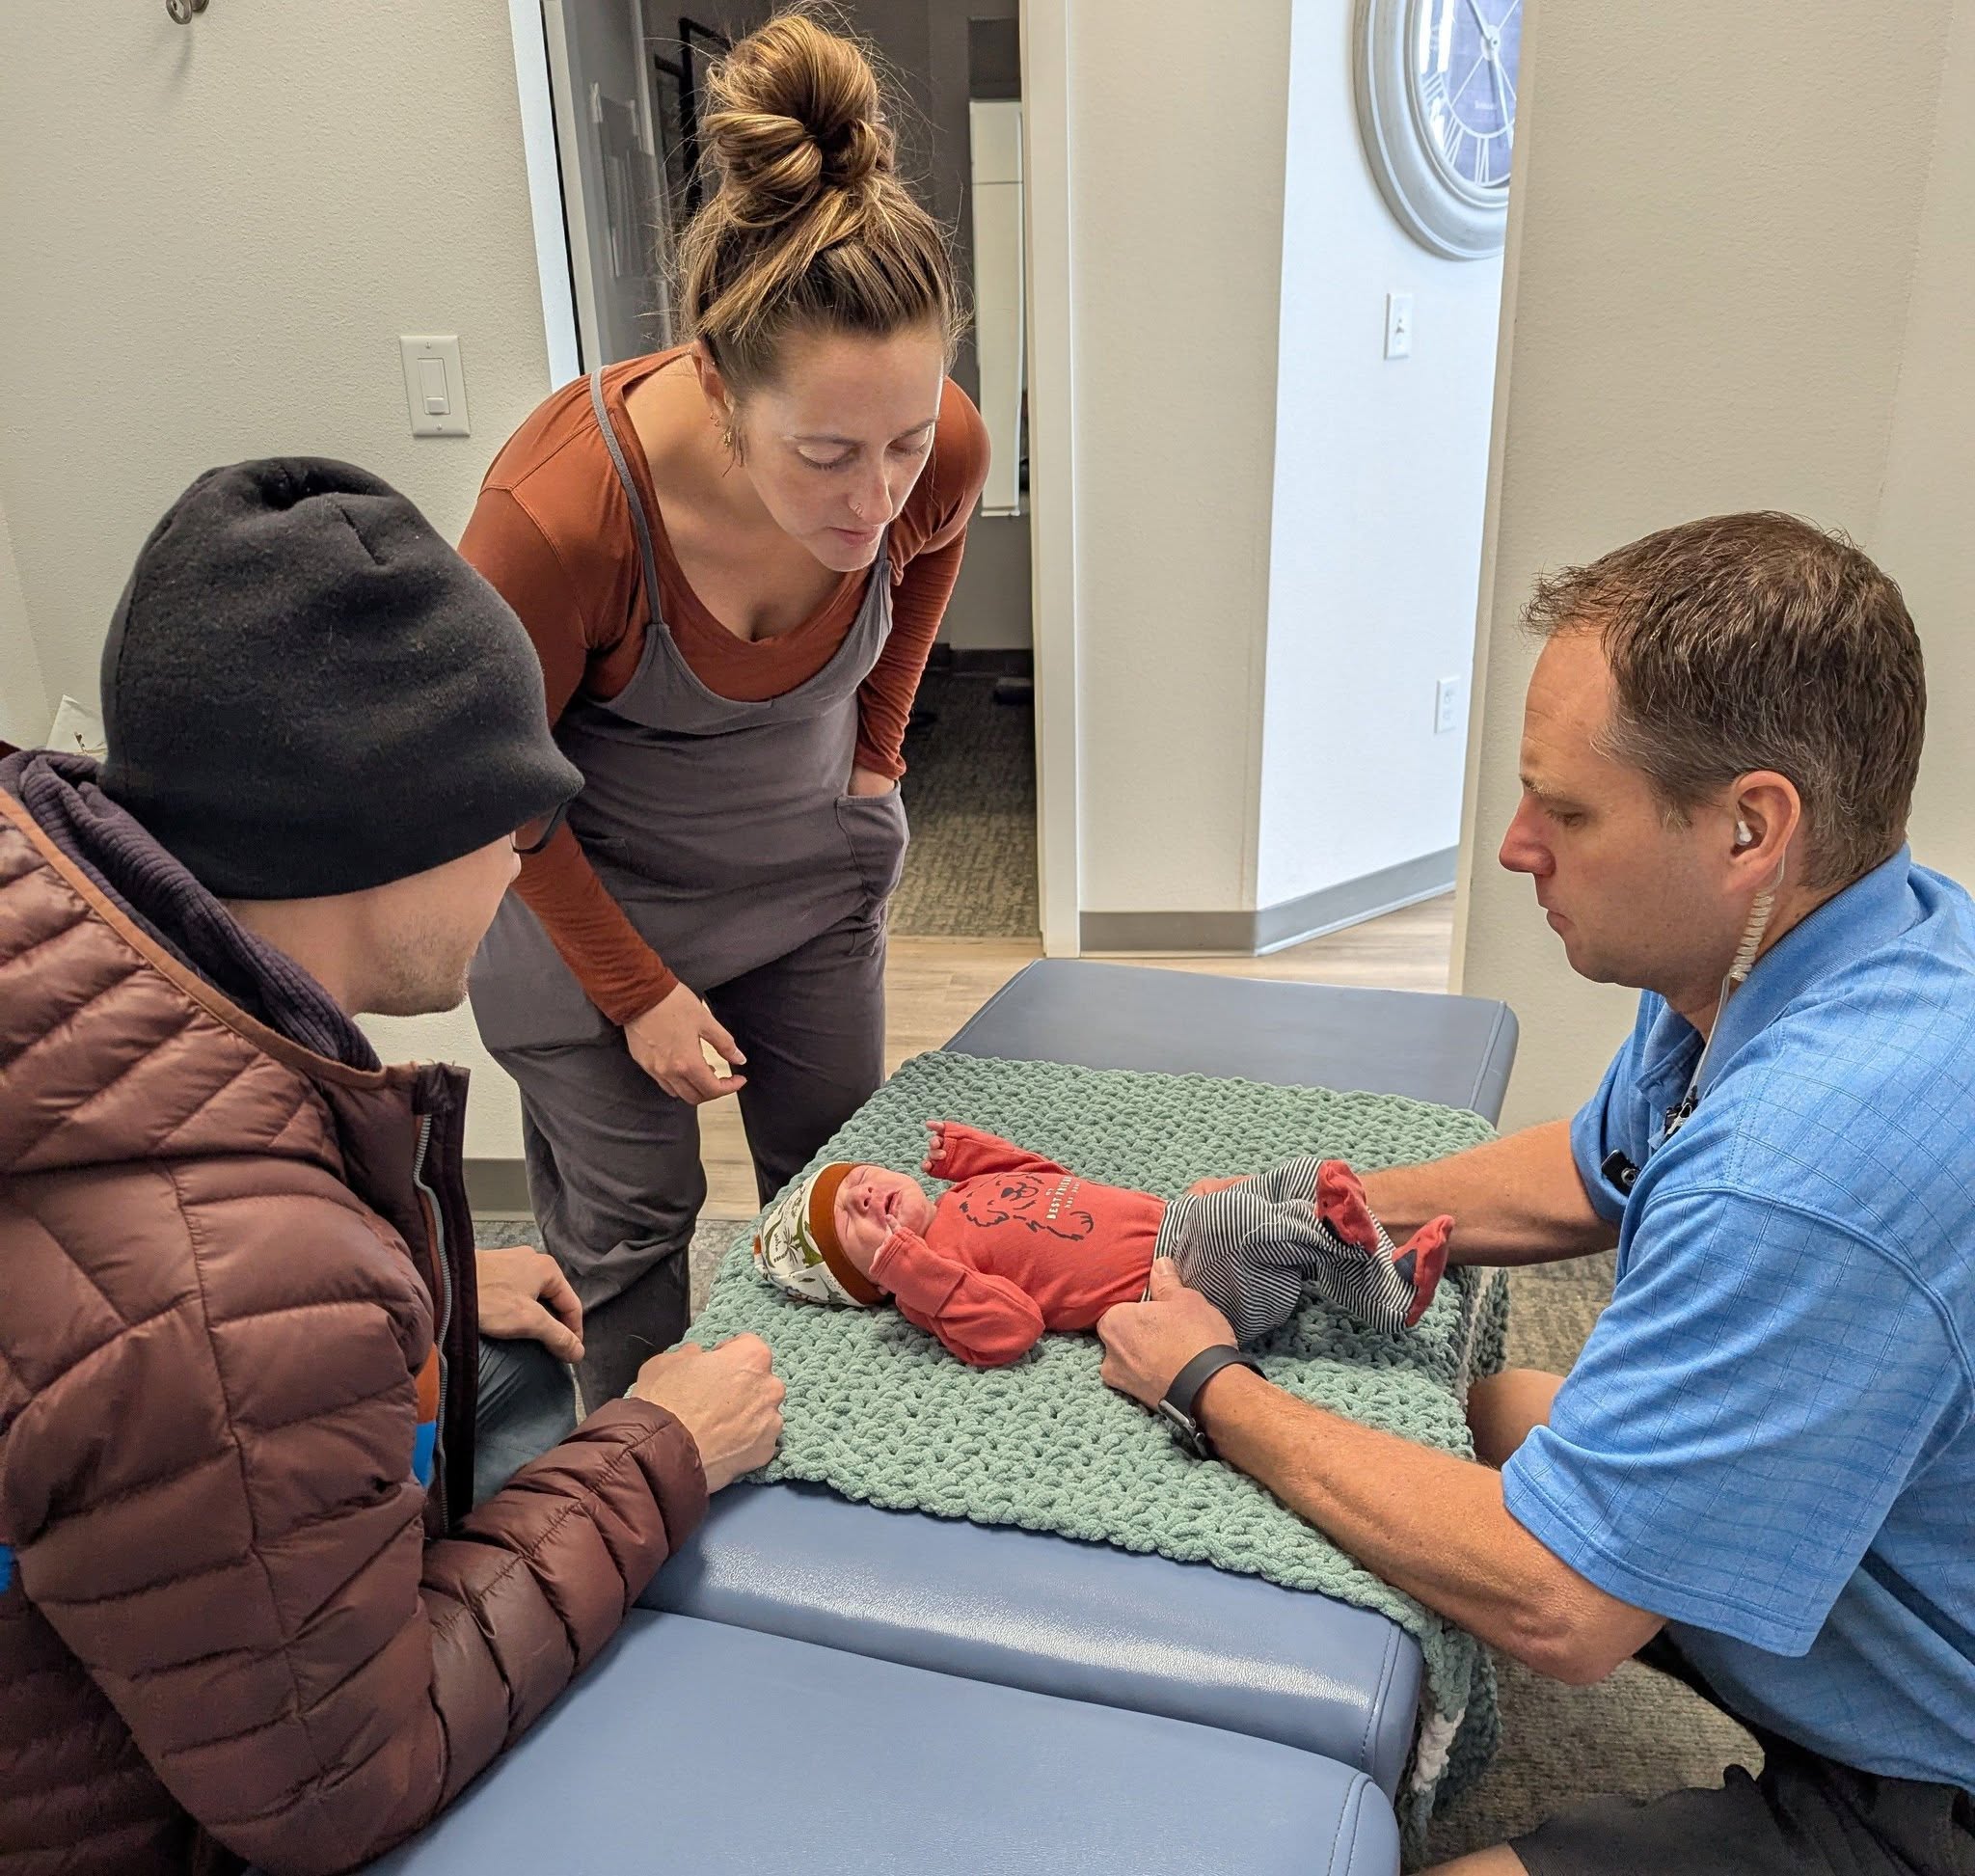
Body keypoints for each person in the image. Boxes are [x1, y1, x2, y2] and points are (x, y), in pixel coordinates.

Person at [1095, 513, 1975, 1876]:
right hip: (1880, 1541)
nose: (1515, 846)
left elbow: (1561, 1605)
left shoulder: (1801, 1172)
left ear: (1751, 828)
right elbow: (1593, 1166)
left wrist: (1209, 1385)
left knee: (1516, 1554)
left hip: (1928, 1781)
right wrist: (1325, 1209)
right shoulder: (1840, 943)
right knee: (1488, 1410)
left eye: (1565, 812)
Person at [0, 459, 784, 1875]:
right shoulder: (240, 1290)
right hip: (163, 1819)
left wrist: (424, 1280)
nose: (520, 864)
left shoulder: (69, 913)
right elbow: (345, 1784)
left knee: (511, 1367)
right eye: (516, 820)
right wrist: (660, 1445)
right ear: (395, 827)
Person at [460, 10, 991, 1407]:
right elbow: (492, 784)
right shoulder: (563, 512)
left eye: (904, 440)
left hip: (801, 876)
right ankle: (636, 1499)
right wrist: (635, 993)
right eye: (824, 452)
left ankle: (830, 1466)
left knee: (844, 1200)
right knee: (630, 1227)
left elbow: (930, 549)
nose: (872, 497)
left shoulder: (934, 460)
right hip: (589, 907)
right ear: (714, 384)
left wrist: (875, 752)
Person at [750, 1121, 1452, 1365]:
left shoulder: (960, 1198)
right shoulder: (931, 1290)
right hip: (1182, 1284)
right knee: (1250, 1222)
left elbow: (1048, 1181)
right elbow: (1015, 1328)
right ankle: (1349, 1256)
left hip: (1179, 1222)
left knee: (1302, 1176)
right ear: (871, 1281)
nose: (864, 1194)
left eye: (860, 1179)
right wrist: (915, 1271)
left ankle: (1383, 1290)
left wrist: (978, 1156)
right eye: (852, 1219)